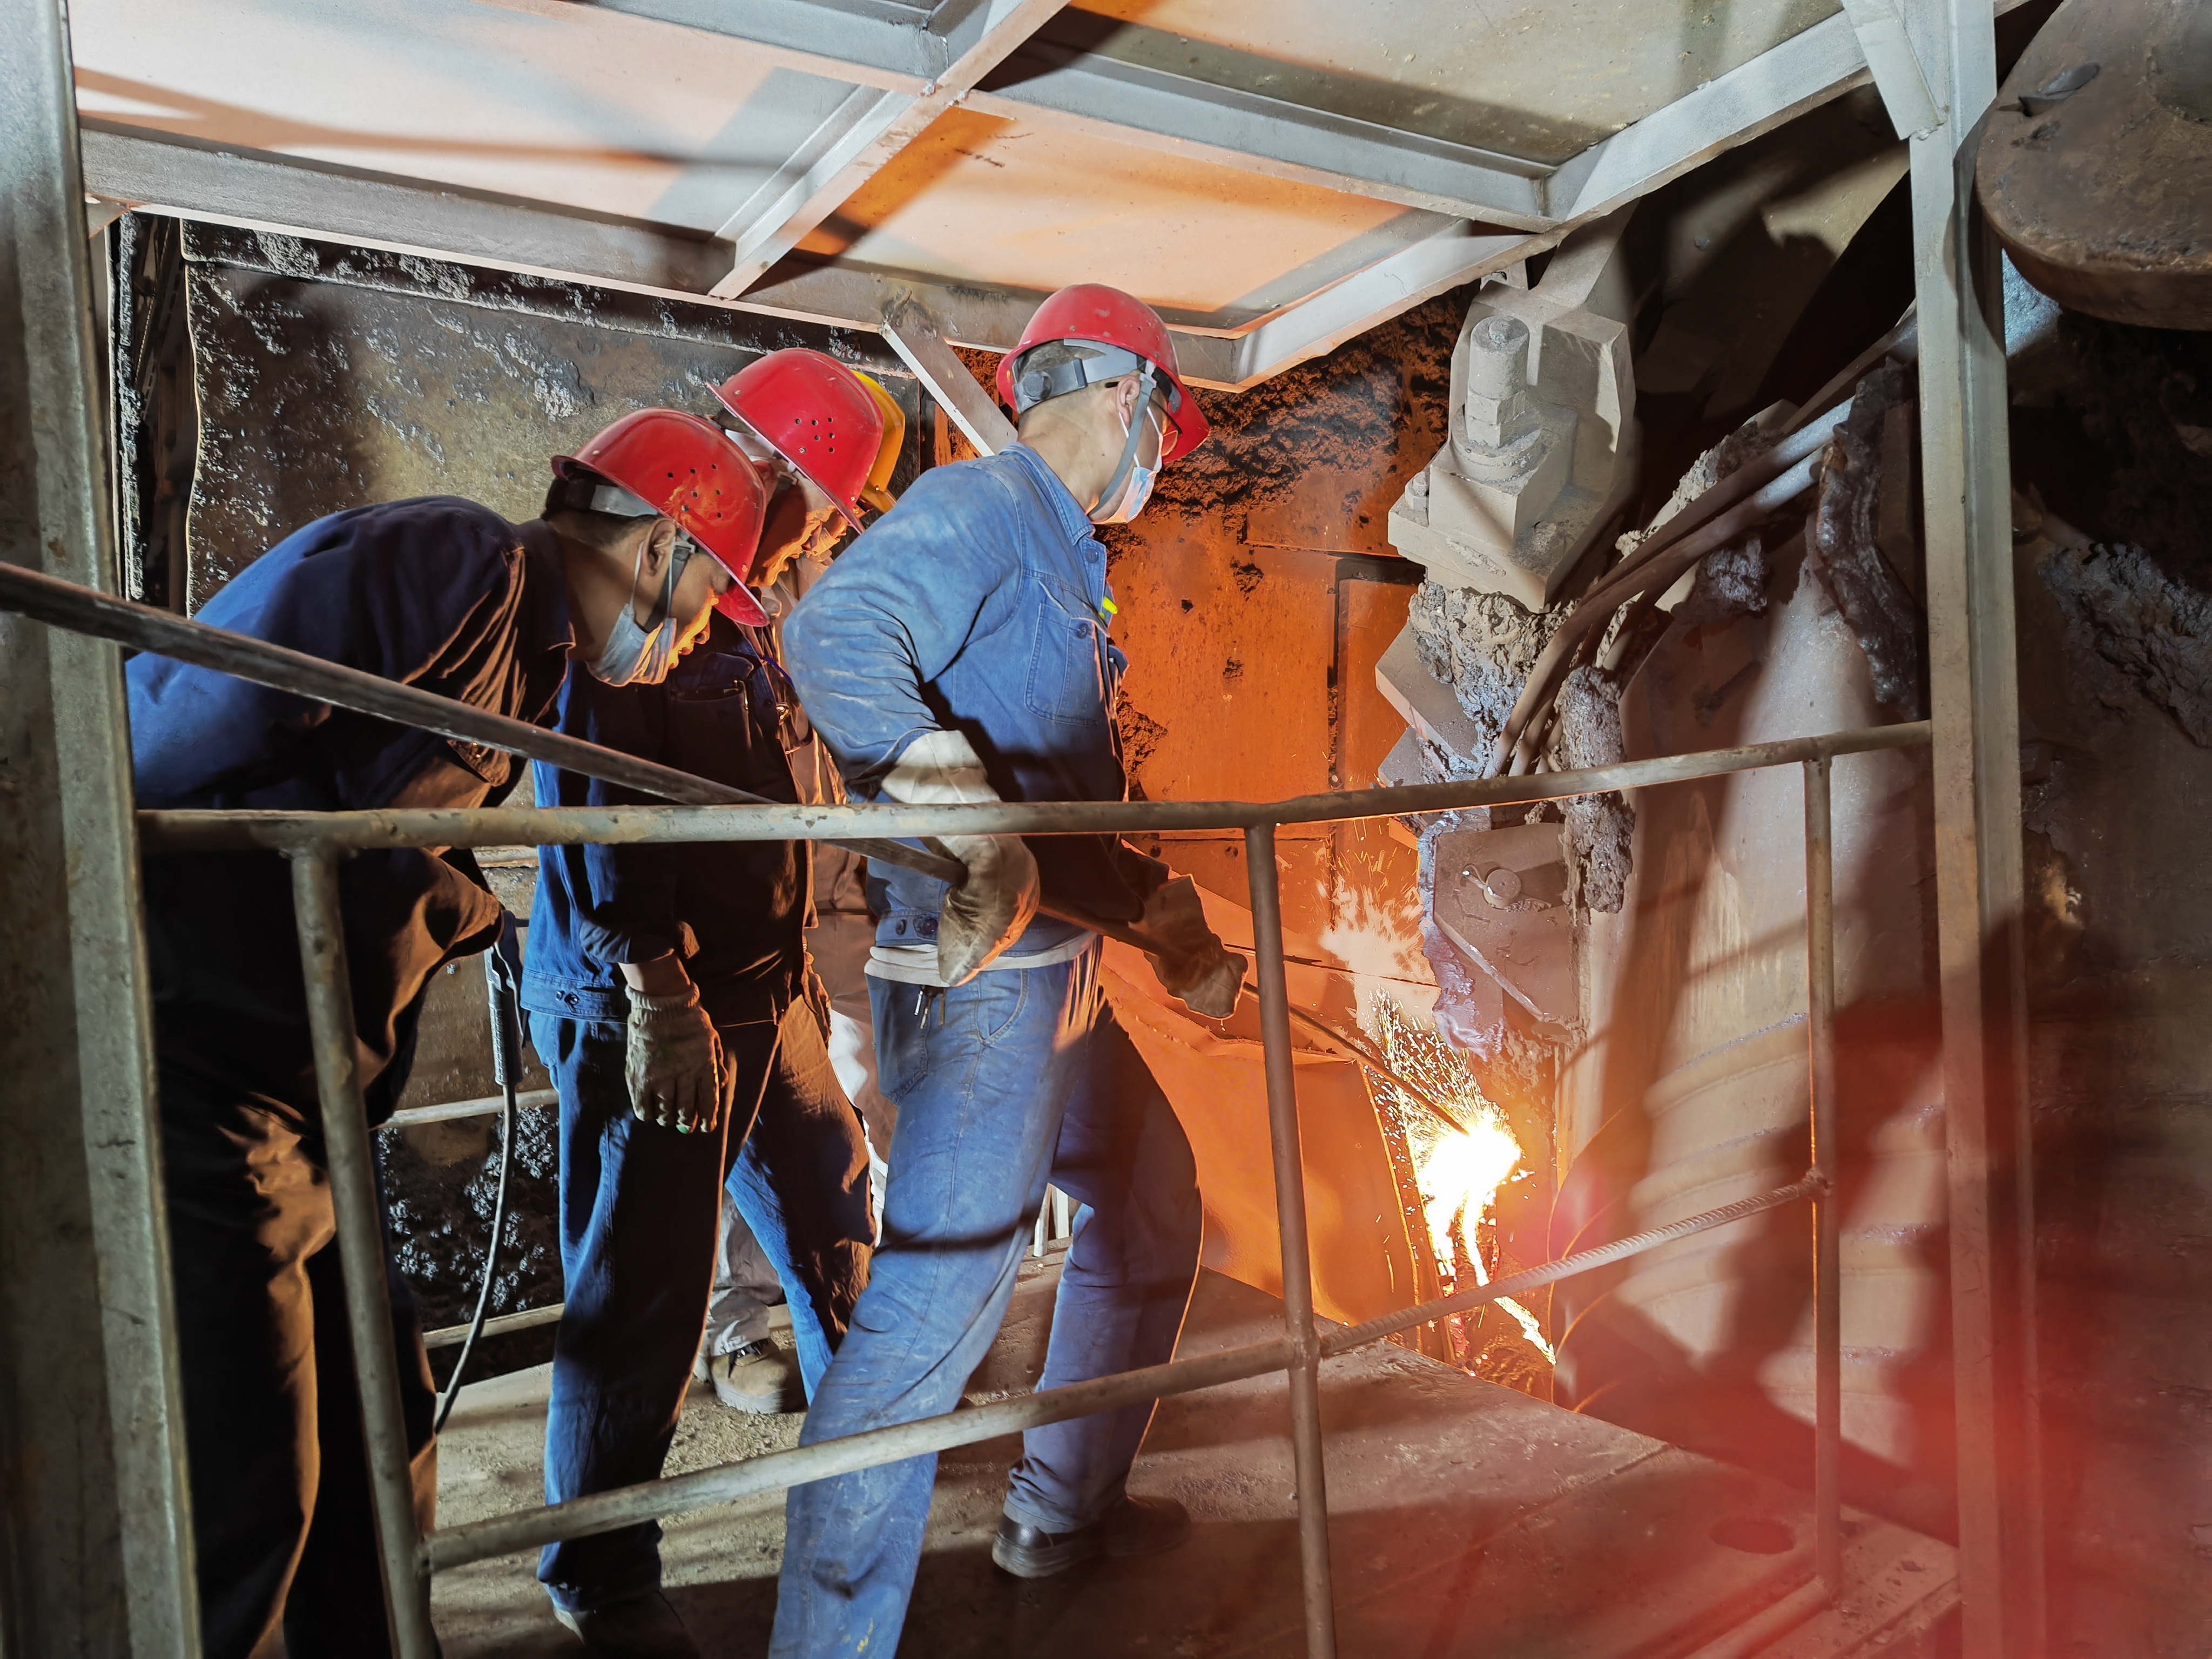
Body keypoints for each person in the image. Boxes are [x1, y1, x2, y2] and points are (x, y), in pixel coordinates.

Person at [125, 409, 764, 1659]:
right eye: (703, 599)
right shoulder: (458, 559)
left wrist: (458, 902)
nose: (692, 636)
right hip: (203, 1059)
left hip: (302, 1087)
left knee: (385, 1432)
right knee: (252, 1479)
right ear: (658, 546)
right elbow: (186, 719)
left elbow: (382, 814)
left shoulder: (532, 659)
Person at [772, 284, 1247, 1655]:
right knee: (937, 1304)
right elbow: (835, 638)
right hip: (983, 981)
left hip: (1055, 966)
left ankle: (1057, 1512)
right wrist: (959, 815)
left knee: (1148, 1205)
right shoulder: (985, 509)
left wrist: (1168, 926)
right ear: (1124, 397)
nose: (1161, 456)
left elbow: (1051, 811)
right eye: (1164, 422)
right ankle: (825, 1648)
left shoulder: (1056, 557)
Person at [520, 350, 900, 1657]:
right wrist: (658, 988)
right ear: (774, 468)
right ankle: (599, 1570)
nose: (828, 531)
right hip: (653, 996)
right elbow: (593, 795)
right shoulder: (652, 586)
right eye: (830, 503)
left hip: (760, 984)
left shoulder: (750, 607)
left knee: (827, 1203)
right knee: (644, 1288)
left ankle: (871, 1440)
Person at [695, 367, 909, 1404]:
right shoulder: (698, 573)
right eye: (827, 501)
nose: (830, 524)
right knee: (745, 1124)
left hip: (836, 886)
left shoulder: (834, 575)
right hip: (736, 912)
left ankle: (881, 1309)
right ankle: (740, 1332)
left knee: (878, 1092)